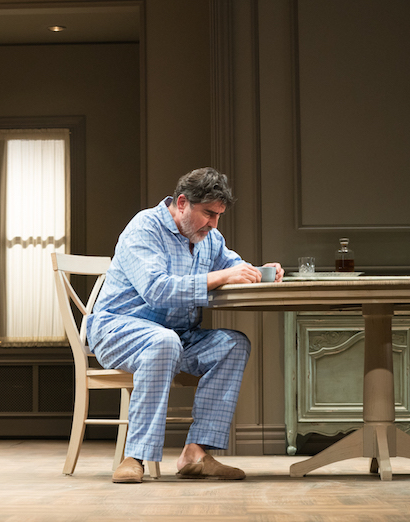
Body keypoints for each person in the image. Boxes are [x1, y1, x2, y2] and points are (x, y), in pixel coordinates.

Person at [86, 167, 284, 482]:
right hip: (119, 330)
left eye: (219, 215)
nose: (214, 223)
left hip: (178, 336)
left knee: (234, 344)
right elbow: (157, 290)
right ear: (182, 203)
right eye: (208, 214)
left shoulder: (209, 237)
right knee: (162, 342)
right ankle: (134, 457)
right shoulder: (144, 229)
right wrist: (222, 277)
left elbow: (233, 265)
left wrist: (260, 270)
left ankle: (195, 452)